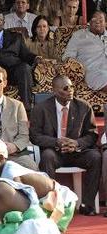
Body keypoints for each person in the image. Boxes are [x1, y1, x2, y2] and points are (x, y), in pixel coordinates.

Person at [0, 134, 78, 231]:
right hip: (40, 205)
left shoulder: (11, 173)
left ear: (0, 159)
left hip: (58, 204)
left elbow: (25, 207)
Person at [30, 75, 101, 216]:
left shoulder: (83, 107)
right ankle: (49, 204)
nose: (71, 90)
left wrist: (77, 143)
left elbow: (92, 134)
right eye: (65, 88)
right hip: (55, 152)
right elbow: (35, 136)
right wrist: (56, 142)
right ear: (55, 91)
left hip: (77, 152)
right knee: (47, 156)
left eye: (72, 87)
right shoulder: (41, 108)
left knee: (96, 157)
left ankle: (87, 204)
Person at [63, 11, 107, 93]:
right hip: (94, 72)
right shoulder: (79, 35)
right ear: (89, 22)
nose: (97, 22)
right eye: (94, 20)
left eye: (101, 20)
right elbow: (67, 56)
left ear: (106, 23)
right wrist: (77, 67)